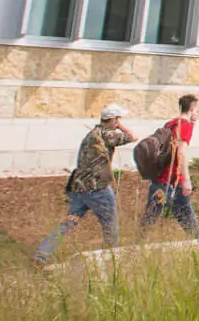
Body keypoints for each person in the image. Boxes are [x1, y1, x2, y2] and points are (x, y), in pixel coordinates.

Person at [34, 105, 135, 265]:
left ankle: (42, 254)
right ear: (113, 119)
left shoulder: (92, 134)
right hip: (97, 188)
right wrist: (120, 126)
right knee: (111, 225)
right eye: (119, 118)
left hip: (79, 187)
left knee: (69, 222)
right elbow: (132, 137)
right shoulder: (108, 134)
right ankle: (110, 258)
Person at [140, 93, 199, 239]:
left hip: (160, 177)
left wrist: (193, 123)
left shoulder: (171, 123)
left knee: (152, 214)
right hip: (173, 179)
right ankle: (197, 242)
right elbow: (180, 153)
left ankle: (138, 243)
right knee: (183, 213)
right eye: (197, 108)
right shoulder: (185, 126)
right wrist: (186, 179)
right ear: (192, 108)